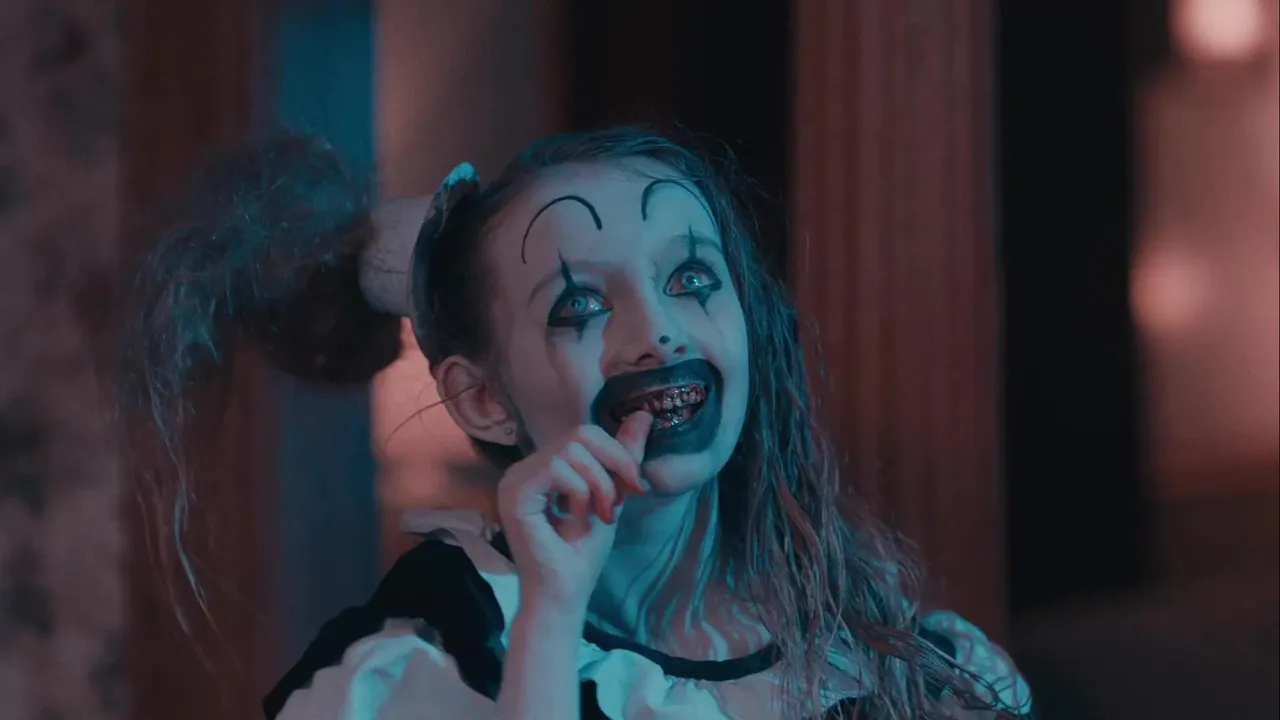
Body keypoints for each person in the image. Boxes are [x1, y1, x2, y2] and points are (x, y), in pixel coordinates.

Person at [119, 126, 1033, 719]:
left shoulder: (886, 643)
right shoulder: (420, 667)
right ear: (481, 397)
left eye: (691, 278)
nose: (658, 330)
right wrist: (551, 621)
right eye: (581, 306)